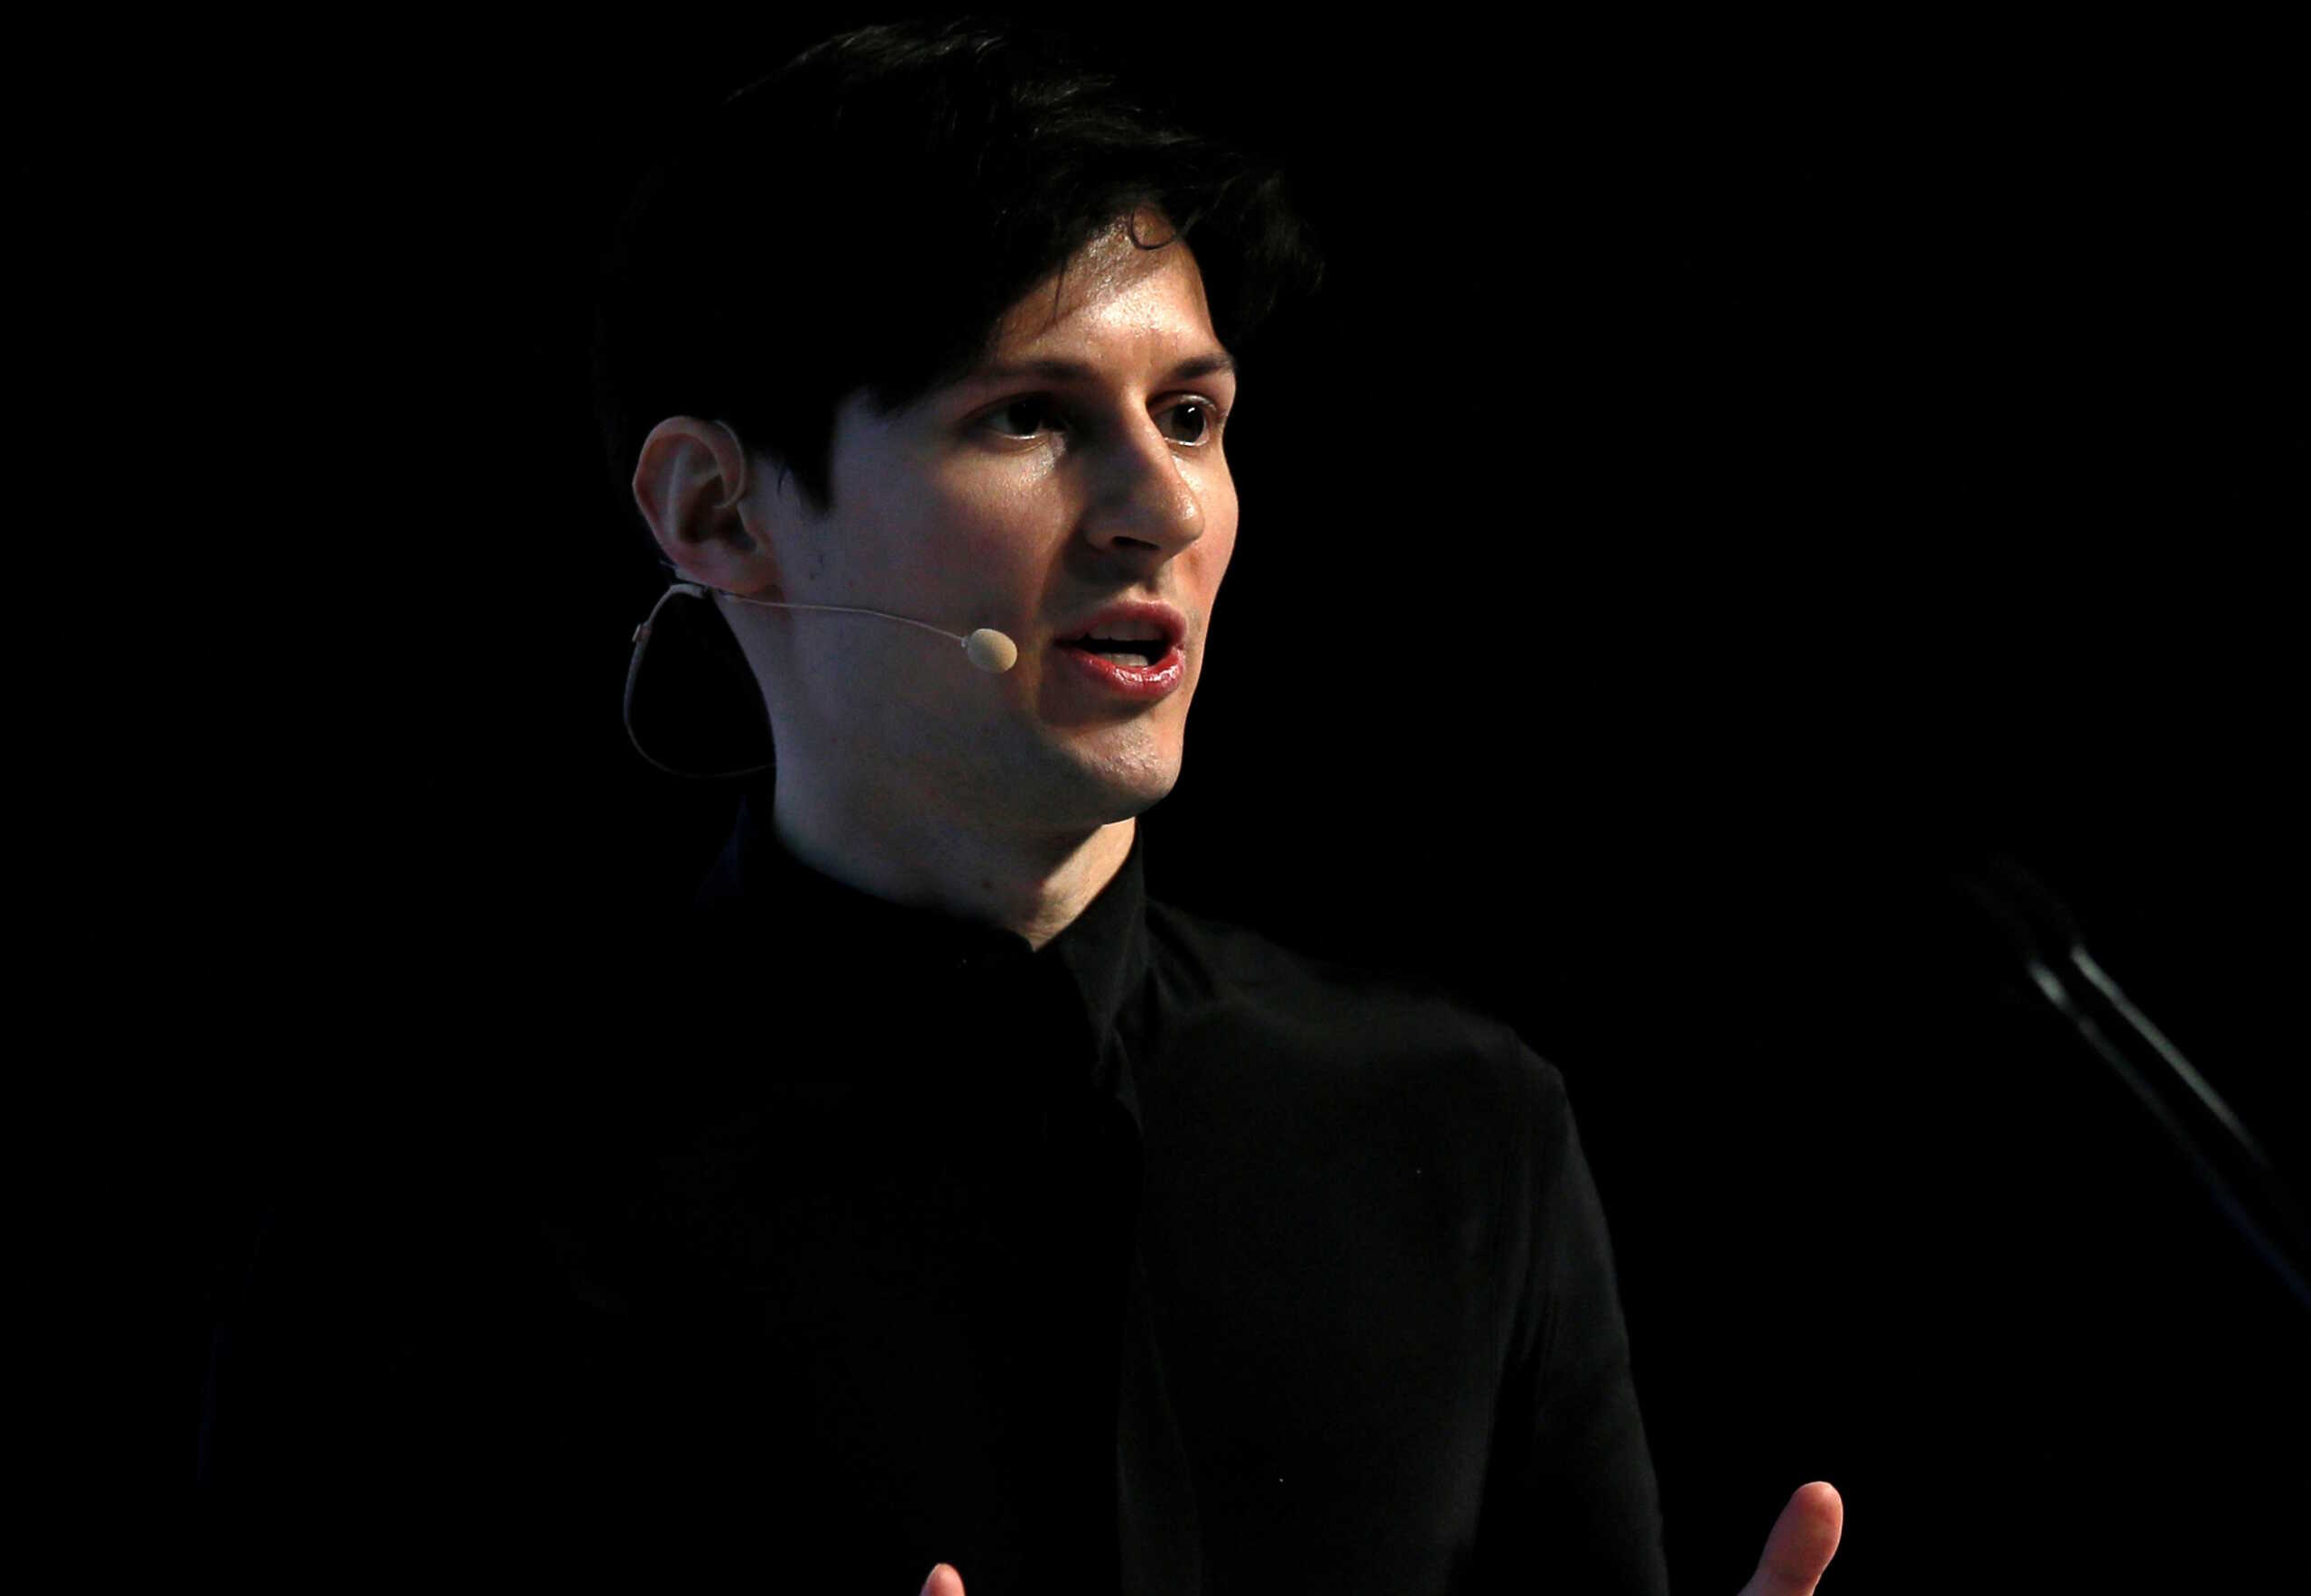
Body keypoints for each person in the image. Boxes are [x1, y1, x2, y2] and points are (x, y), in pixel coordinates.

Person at [197, 16, 1842, 1593]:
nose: (1160, 507)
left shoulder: (1457, 1126)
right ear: (717, 509)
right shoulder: (442, 1207)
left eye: (1192, 417)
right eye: (1031, 417)